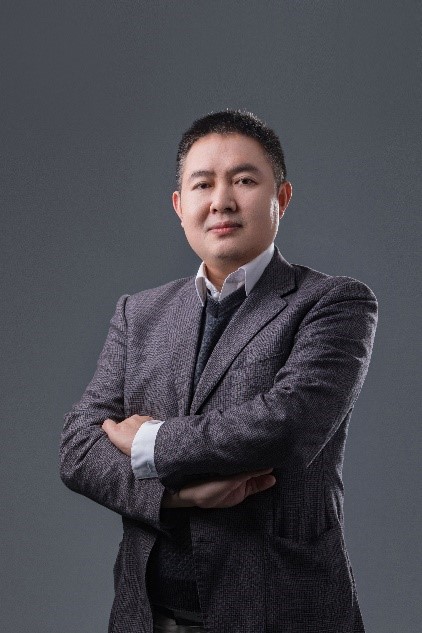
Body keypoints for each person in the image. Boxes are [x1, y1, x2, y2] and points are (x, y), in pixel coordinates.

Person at [60, 110, 378, 633]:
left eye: (245, 180)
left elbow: (285, 425)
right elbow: (78, 448)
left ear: (282, 197)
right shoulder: (139, 314)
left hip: (282, 615)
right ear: (179, 206)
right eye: (202, 184)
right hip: (147, 616)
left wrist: (151, 441)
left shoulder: (333, 303)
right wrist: (175, 495)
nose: (221, 201)